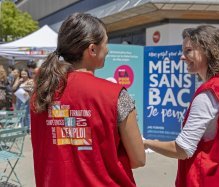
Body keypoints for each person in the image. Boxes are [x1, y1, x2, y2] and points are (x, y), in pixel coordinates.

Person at [30, 12, 145, 187]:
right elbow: (138, 159)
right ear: (92, 49)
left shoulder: (41, 94)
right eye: (106, 43)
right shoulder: (115, 94)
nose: (107, 49)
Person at [144, 25, 219, 187]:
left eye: (188, 51)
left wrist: (146, 142)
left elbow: (182, 149)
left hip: (205, 180)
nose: (183, 57)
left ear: (207, 51)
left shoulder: (208, 93)